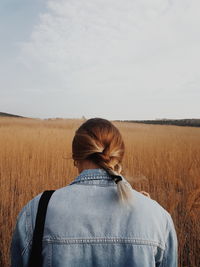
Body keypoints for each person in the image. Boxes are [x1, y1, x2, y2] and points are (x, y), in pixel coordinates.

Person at [11, 118, 178, 266]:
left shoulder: (37, 210)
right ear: (119, 156)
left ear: (75, 158)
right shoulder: (158, 217)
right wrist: (147, 209)